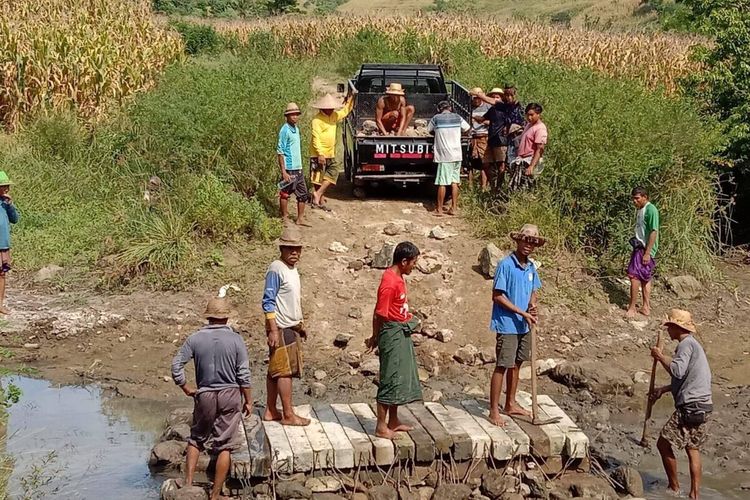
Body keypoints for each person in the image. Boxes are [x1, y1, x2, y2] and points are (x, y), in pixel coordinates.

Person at [171, 296, 253, 500]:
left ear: (208, 318)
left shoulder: (195, 339)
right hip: (230, 394)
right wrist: (248, 400)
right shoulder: (236, 339)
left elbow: (176, 366)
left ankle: (188, 485)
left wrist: (185, 387)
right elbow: (243, 374)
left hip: (205, 393)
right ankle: (215, 494)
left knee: (196, 438)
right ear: (226, 318)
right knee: (225, 444)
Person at [649, 308, 712, 500]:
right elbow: (686, 377)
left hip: (690, 406)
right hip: (704, 405)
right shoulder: (695, 346)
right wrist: (664, 389)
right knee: (693, 449)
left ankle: (674, 487)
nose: (667, 331)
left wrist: (660, 357)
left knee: (663, 443)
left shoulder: (686, 345)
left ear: (677, 328)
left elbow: (677, 370)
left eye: (669, 327)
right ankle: (695, 495)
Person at [488, 224, 544, 426]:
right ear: (518, 240)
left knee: (517, 363)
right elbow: (497, 296)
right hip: (507, 323)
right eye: (526, 240)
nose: (529, 245)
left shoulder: (530, 267)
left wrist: (532, 306)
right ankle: (494, 410)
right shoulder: (506, 264)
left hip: (524, 324)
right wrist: (521, 311)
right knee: (503, 364)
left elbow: (533, 291)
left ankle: (510, 403)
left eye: (533, 242)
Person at [366, 241, 422, 439]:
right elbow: (379, 313)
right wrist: (375, 336)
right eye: (413, 262)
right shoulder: (389, 282)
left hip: (400, 330)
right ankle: (381, 426)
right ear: (404, 261)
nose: (415, 266)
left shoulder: (398, 277)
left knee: (399, 376)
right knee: (390, 378)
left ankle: (394, 419)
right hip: (392, 333)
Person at [261, 224, 309, 426]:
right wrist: (273, 330)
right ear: (282, 249)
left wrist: (301, 324)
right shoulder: (276, 269)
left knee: (275, 369)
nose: (295, 253)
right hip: (281, 327)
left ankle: (271, 410)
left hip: (291, 326)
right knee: (284, 371)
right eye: (290, 249)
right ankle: (288, 414)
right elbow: (268, 301)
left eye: (297, 249)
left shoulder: (292, 270)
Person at [310, 92, 355, 210]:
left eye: (331, 108)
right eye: (328, 108)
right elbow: (316, 137)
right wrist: (320, 153)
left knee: (333, 171)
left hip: (330, 152)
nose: (330, 110)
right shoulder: (317, 120)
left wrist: (352, 99)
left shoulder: (334, 115)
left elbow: (345, 111)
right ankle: (319, 199)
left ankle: (318, 194)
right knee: (317, 177)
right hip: (318, 153)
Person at [427, 100, 470, 216]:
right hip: (457, 154)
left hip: (444, 155)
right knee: (454, 182)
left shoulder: (436, 118)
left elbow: (429, 130)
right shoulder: (458, 117)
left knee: (442, 183)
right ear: (450, 108)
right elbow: (467, 129)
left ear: (439, 109)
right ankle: (454, 208)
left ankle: (439, 209)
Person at [626, 186, 659, 318]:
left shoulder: (651, 210)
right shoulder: (640, 209)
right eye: (633, 198)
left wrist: (647, 252)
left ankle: (632, 307)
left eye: (637, 198)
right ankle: (646, 307)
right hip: (639, 247)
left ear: (645, 197)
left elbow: (654, 231)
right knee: (645, 277)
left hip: (644, 249)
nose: (634, 201)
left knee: (634, 276)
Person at [277, 102, 309, 225]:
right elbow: (280, 152)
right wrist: (283, 171)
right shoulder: (285, 130)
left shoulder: (296, 129)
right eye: (292, 115)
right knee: (285, 193)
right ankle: (284, 216)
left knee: (303, 194)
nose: (295, 117)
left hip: (298, 168)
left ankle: (300, 219)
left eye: (296, 114)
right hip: (289, 168)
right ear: (287, 116)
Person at [508, 103, 547, 192]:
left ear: (538, 114)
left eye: (532, 115)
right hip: (522, 160)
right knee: (517, 188)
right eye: (527, 115)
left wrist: (531, 166)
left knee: (528, 188)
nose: (529, 117)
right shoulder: (529, 125)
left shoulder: (540, 128)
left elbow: (540, 149)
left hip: (530, 161)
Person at [0, 171, 19, 316]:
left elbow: (15, 219)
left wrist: (10, 205)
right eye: (3, 186)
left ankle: (0, 304)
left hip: (3, 246)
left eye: (7, 186)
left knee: (2, 275)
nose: (6, 189)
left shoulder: (5, 204)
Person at [468, 88, 491, 189]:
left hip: (484, 136)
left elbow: (493, 122)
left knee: (484, 162)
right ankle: (470, 186)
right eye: (474, 98)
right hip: (472, 137)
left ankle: (484, 187)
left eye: (478, 97)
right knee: (470, 162)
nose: (476, 100)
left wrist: (482, 121)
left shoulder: (488, 107)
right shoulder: (468, 107)